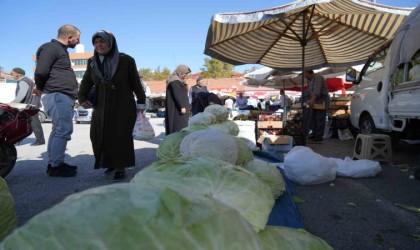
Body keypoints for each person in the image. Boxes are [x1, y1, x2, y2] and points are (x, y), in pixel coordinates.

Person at [78, 30, 146, 182]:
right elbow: (86, 81)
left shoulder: (126, 60)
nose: (98, 45)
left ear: (110, 42)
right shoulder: (92, 62)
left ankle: (120, 166)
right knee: (100, 135)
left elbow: (135, 82)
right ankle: (108, 162)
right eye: (95, 42)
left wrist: (141, 101)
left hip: (122, 104)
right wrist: (81, 98)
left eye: (101, 41)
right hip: (100, 105)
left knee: (120, 136)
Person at [33, 24, 80, 177]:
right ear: (70, 37)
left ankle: (54, 162)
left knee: (57, 130)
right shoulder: (51, 48)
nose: (78, 42)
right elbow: (41, 71)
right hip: (57, 94)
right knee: (63, 130)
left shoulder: (60, 50)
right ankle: (56, 166)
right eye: (77, 39)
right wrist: (39, 87)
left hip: (61, 95)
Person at [10, 68, 45, 146]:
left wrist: (12, 103)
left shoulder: (23, 81)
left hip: (28, 106)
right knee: (23, 123)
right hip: (30, 105)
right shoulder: (27, 80)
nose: (11, 75)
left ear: (17, 74)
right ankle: (18, 140)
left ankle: (40, 140)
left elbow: (21, 95)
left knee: (33, 123)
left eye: (12, 73)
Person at [165, 65, 191, 135]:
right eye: (185, 73)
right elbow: (177, 94)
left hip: (181, 107)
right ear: (180, 72)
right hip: (177, 109)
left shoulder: (179, 81)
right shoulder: (175, 81)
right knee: (178, 126)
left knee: (182, 125)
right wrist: (182, 106)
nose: (186, 75)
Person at [304, 69, 329, 142]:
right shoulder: (310, 80)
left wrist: (312, 100)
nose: (305, 76)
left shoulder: (318, 77)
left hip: (321, 99)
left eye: (305, 74)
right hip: (315, 99)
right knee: (313, 118)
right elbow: (311, 92)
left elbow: (317, 91)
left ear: (309, 72)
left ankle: (319, 136)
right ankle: (314, 133)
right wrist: (309, 100)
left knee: (320, 118)